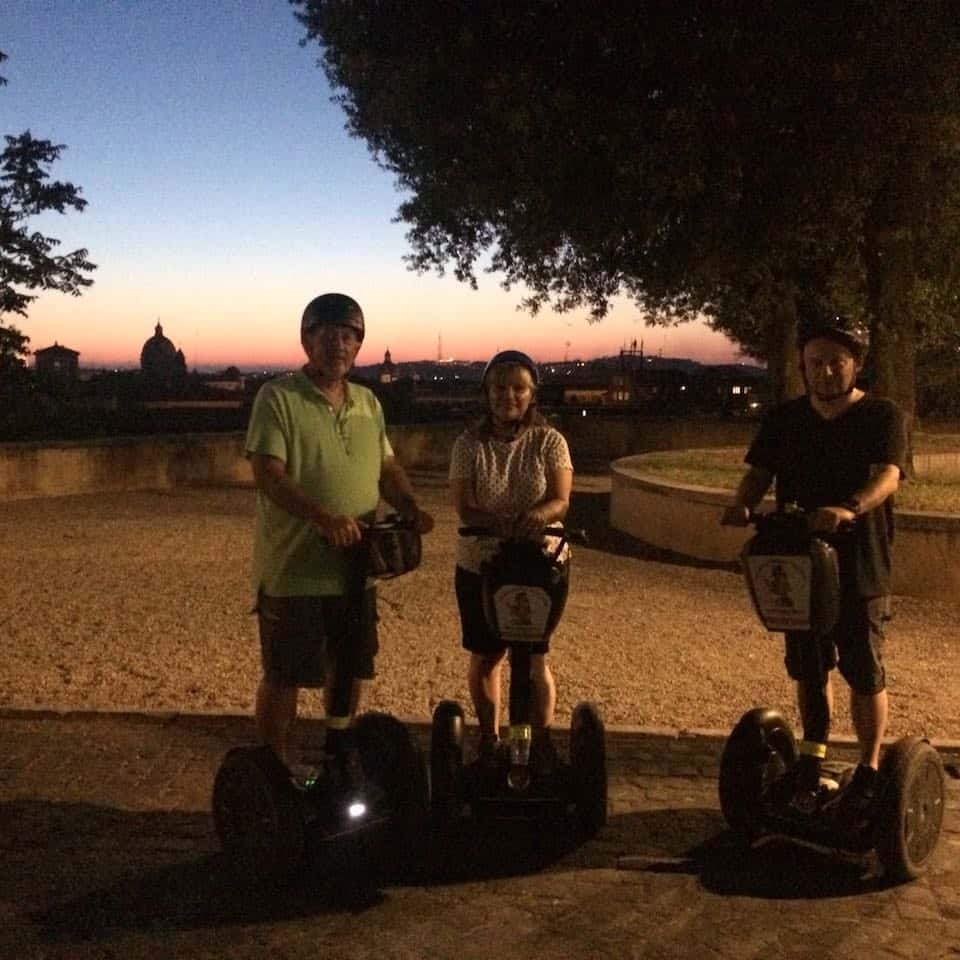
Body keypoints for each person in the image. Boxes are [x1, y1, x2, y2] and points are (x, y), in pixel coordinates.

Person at [721, 312, 907, 827]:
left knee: (863, 668)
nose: (826, 372)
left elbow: (889, 476)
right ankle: (814, 754)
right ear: (804, 366)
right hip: (798, 560)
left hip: (860, 562)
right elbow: (760, 472)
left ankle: (869, 767)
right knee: (808, 664)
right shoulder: (784, 419)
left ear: (856, 365)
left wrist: (851, 506)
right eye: (816, 363)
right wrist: (741, 505)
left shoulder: (882, 416)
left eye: (836, 362)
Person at [246, 292, 433, 774]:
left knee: (348, 666)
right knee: (285, 674)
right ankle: (274, 769)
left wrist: (410, 505)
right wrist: (322, 518)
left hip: (357, 569)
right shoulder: (278, 397)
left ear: (359, 344)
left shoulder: (368, 403)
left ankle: (337, 754)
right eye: (328, 335)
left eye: (349, 336)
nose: (339, 345)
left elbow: (386, 465)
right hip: (296, 571)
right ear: (307, 340)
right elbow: (269, 473)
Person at [448, 349, 574, 769]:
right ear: (486, 392)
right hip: (482, 561)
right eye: (499, 387)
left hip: (541, 561)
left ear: (532, 393)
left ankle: (537, 741)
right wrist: (498, 523)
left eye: (518, 387)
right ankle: (489, 739)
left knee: (534, 655)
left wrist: (536, 517)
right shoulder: (468, 445)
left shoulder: (549, 441)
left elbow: (560, 499)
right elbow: (464, 506)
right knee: (487, 655)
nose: (508, 395)